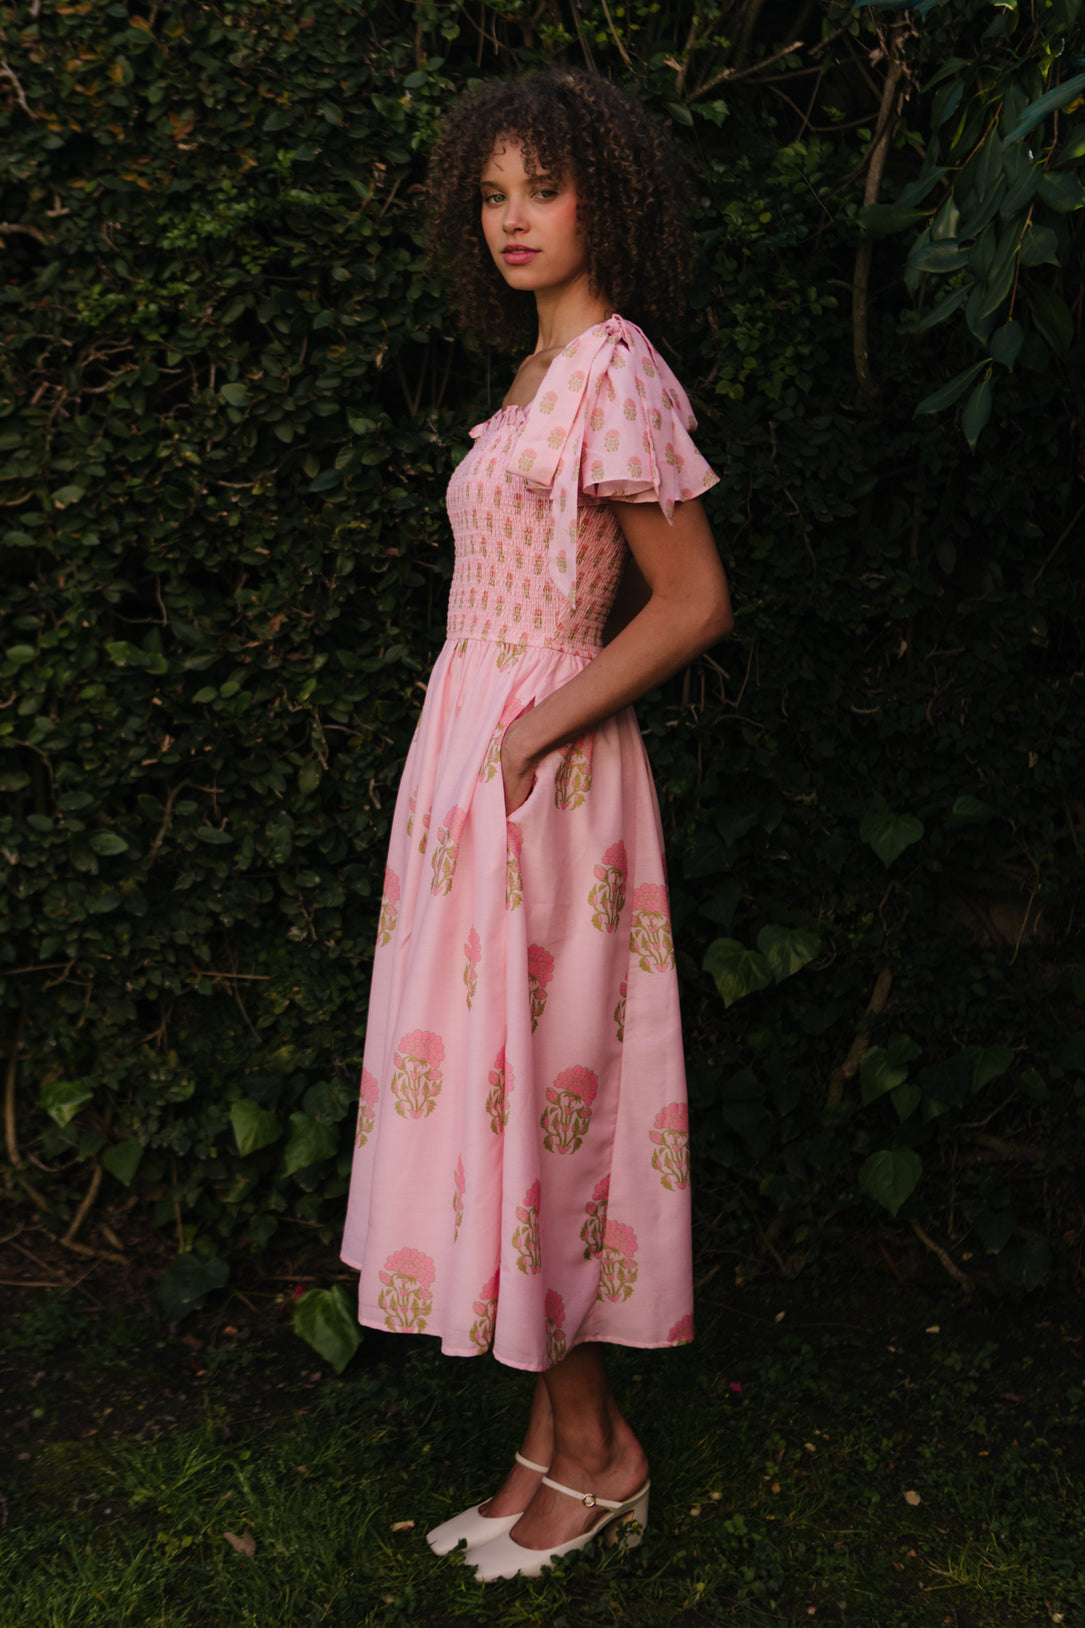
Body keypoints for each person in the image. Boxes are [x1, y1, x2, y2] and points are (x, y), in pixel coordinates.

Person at [340, 67, 733, 1581]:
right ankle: (551, 1445)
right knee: (484, 1101)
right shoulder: (529, 375)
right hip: (477, 769)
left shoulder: (616, 371)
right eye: (491, 194)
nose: (512, 219)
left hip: (545, 781)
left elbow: (692, 604)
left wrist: (527, 729)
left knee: (540, 1095)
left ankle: (603, 1450)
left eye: (540, 190)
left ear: (604, 200)